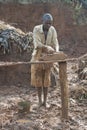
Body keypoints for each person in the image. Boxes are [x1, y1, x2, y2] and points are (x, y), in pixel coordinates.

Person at [31, 13, 59, 108]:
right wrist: (46, 47)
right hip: (37, 57)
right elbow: (37, 43)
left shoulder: (52, 30)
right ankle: (39, 101)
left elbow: (55, 41)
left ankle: (45, 101)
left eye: (50, 23)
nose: (49, 25)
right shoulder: (36, 29)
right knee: (38, 79)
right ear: (42, 21)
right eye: (47, 23)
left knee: (46, 80)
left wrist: (56, 51)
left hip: (48, 58)